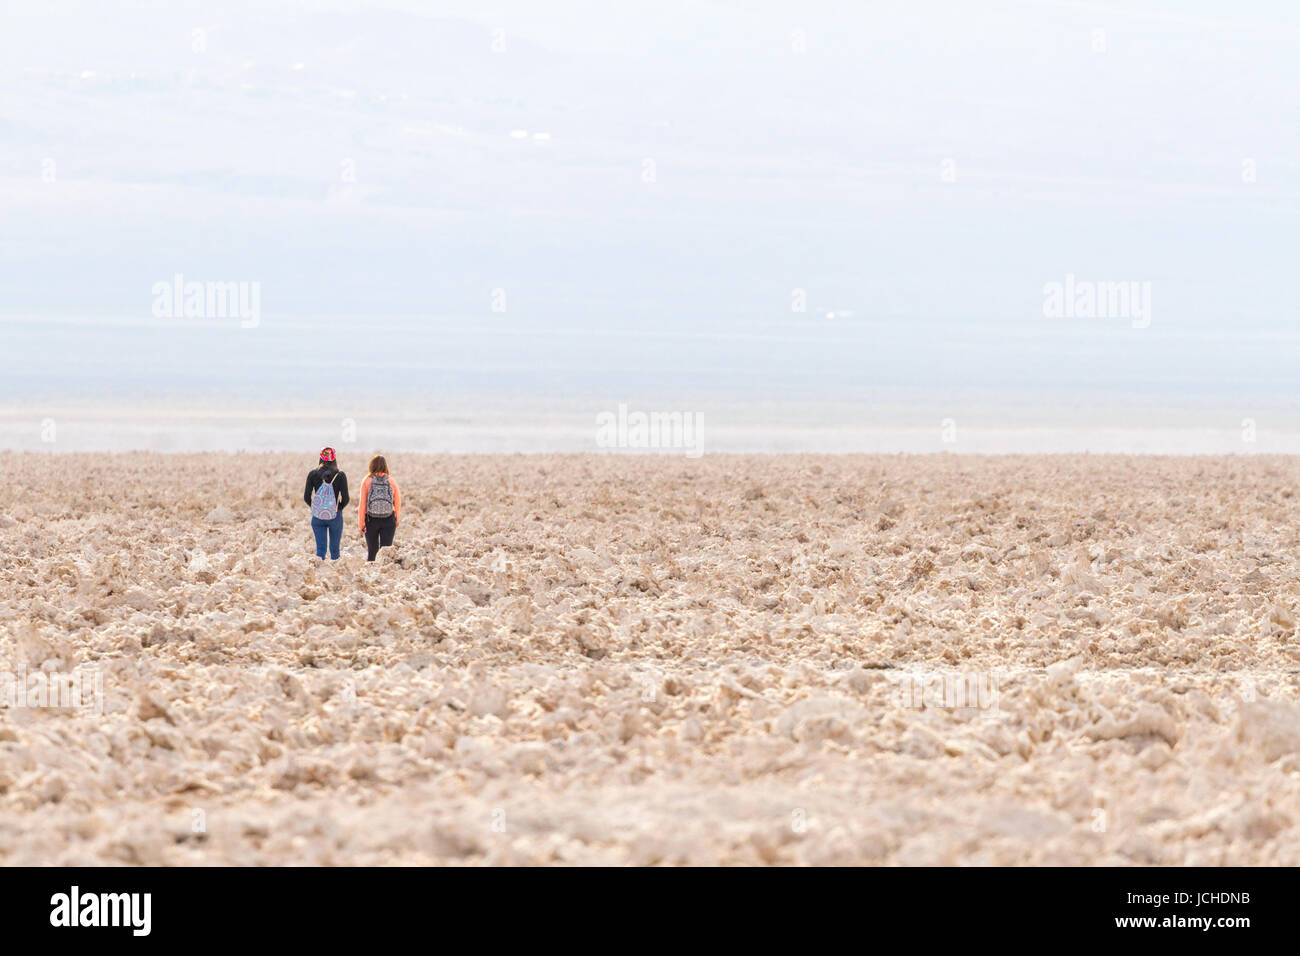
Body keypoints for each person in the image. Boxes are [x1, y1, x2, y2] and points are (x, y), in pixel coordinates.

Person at [304, 447, 350, 560]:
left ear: (321, 458)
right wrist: (338, 508)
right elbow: (346, 498)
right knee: (335, 550)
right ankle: (335, 574)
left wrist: (315, 508)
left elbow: (306, 497)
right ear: (334, 459)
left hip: (317, 516)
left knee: (320, 550)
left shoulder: (313, 474)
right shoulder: (340, 475)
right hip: (334, 515)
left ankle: (319, 574)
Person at [358, 454, 402, 562]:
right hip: (388, 519)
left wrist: (361, 523)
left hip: (371, 519)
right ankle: (384, 575)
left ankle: (371, 575)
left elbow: (362, 504)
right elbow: (397, 501)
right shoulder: (391, 481)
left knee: (372, 551)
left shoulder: (367, 481)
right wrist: (397, 518)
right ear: (385, 466)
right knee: (385, 551)